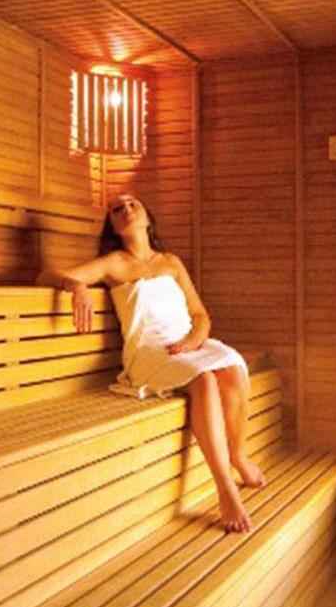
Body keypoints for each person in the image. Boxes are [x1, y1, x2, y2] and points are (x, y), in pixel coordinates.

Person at [47, 194, 266, 532]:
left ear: (148, 218)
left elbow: (200, 315)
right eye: (117, 209)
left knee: (234, 368)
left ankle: (238, 454)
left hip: (187, 342)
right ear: (113, 226)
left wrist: (193, 341)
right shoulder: (113, 263)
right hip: (149, 351)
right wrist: (76, 286)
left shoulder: (171, 262)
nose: (125, 209)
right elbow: (46, 275)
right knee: (205, 379)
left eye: (132, 204)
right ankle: (225, 488)